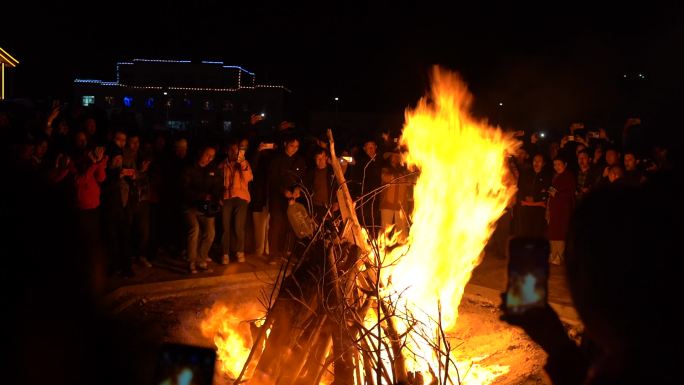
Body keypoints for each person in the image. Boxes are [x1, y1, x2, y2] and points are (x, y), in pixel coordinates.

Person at [502, 171, 683, 385]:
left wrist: (561, 350)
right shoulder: (643, 351)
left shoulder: (644, 367)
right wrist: (558, 345)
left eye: (577, 264)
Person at [181, 145, 223, 274]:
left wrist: (217, 198)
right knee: (195, 230)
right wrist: (201, 195)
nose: (209, 158)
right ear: (201, 152)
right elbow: (184, 189)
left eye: (212, 156)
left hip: (206, 207)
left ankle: (201, 258)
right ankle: (191, 261)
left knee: (210, 233)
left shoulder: (213, 169)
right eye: (207, 155)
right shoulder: (190, 168)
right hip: (190, 206)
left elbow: (217, 186)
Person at [220, 140, 253, 264]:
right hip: (227, 197)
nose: (234, 153)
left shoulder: (245, 163)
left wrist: (243, 163)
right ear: (227, 151)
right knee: (225, 227)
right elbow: (218, 182)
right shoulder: (222, 164)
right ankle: (225, 254)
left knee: (238, 227)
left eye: (236, 150)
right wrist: (219, 195)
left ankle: (239, 251)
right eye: (232, 150)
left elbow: (249, 178)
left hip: (241, 198)